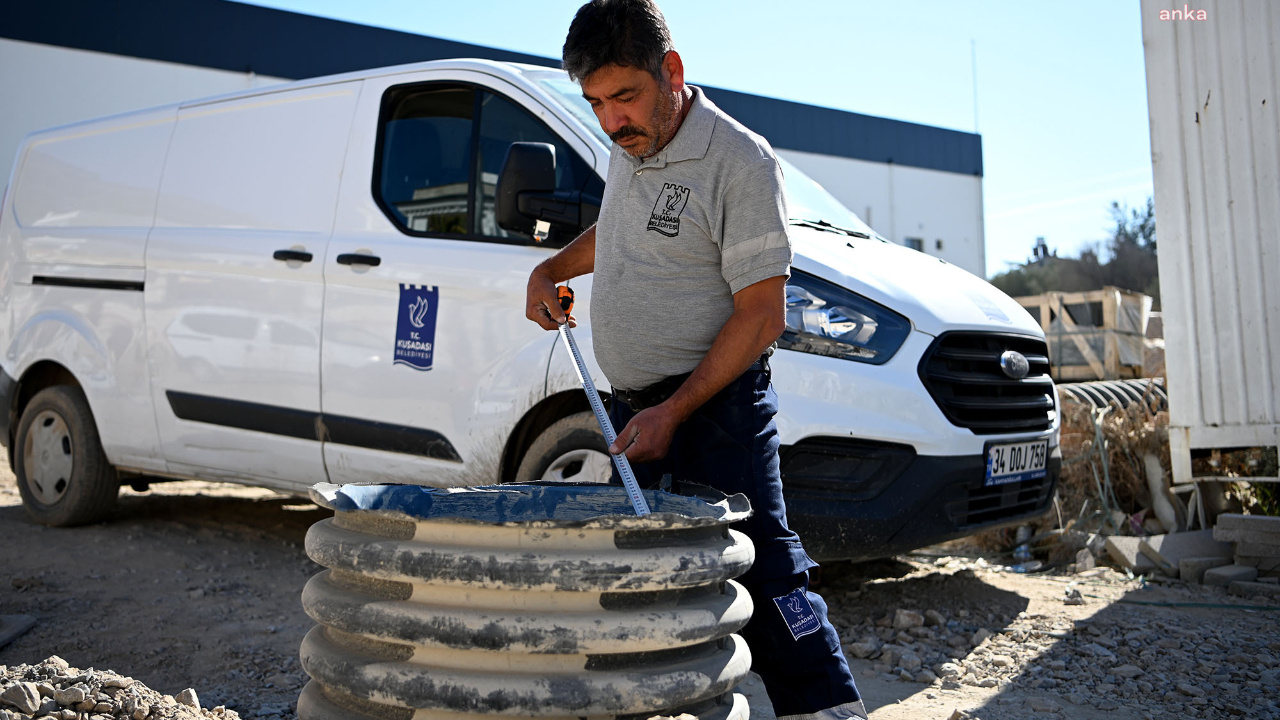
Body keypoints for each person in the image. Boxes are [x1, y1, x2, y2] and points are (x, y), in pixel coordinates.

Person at [524, 2, 866, 718]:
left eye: (625, 97)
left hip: (716, 411)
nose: (612, 121)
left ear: (671, 72)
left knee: (763, 574)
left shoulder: (741, 162)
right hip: (636, 412)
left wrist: (675, 410)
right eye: (595, 103)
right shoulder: (633, 146)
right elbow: (619, 231)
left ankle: (831, 708)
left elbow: (762, 314)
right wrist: (553, 266)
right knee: (651, 576)